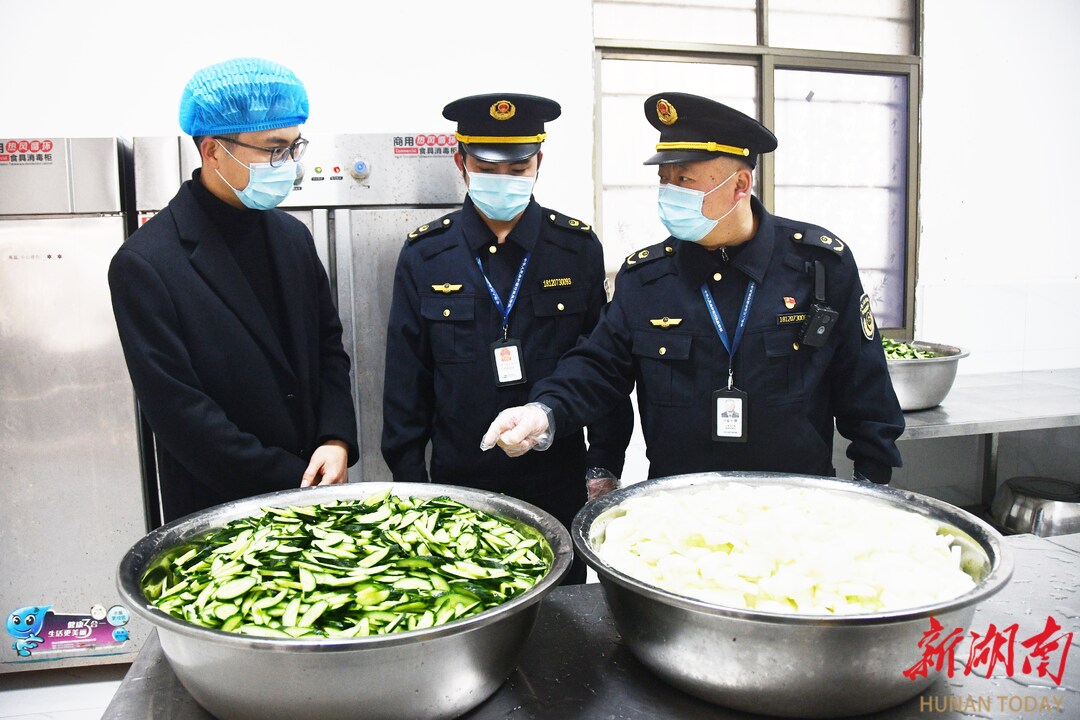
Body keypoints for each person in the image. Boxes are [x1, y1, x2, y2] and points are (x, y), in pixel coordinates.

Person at [481, 91, 904, 484]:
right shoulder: (647, 278)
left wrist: (873, 482)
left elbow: (864, 384)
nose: (669, 193)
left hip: (795, 501)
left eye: (684, 180)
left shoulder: (818, 265)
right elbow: (597, 367)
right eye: (663, 179)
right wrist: (543, 411)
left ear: (740, 186)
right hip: (677, 506)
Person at [381, 93, 634, 582]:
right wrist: (411, 484)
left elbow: (603, 365)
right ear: (461, 163)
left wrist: (603, 462)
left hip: (556, 480)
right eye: (487, 168)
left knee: (561, 611)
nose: (504, 180)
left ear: (539, 162)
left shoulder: (575, 248)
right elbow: (406, 380)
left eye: (518, 169)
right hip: (459, 487)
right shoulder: (427, 254)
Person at [109, 57, 358, 523]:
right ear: (213, 151)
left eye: (294, 147)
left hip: (316, 491)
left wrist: (336, 438)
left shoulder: (292, 237)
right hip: (218, 511)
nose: (291, 165)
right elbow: (181, 415)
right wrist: (294, 482)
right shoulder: (146, 264)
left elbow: (329, 349)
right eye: (274, 149)